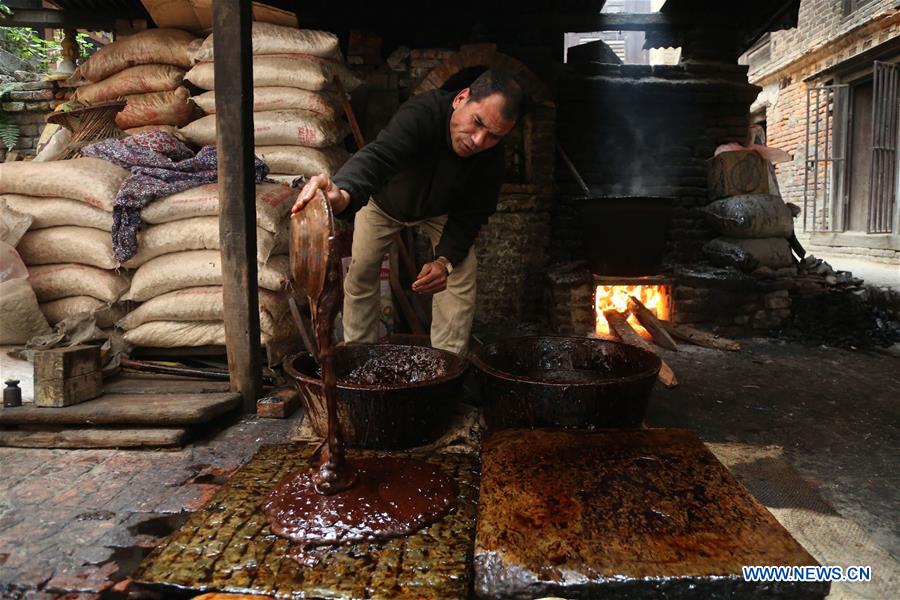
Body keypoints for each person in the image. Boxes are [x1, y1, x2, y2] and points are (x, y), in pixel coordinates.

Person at [292, 68, 525, 355]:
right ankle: (358, 356)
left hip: (442, 210)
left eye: (493, 136)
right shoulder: (421, 114)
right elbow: (379, 157)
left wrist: (444, 261)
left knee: (461, 272)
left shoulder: (492, 157)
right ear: (461, 99)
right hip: (384, 203)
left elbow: (472, 213)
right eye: (477, 122)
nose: (478, 141)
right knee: (362, 270)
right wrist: (343, 193)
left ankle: (448, 363)